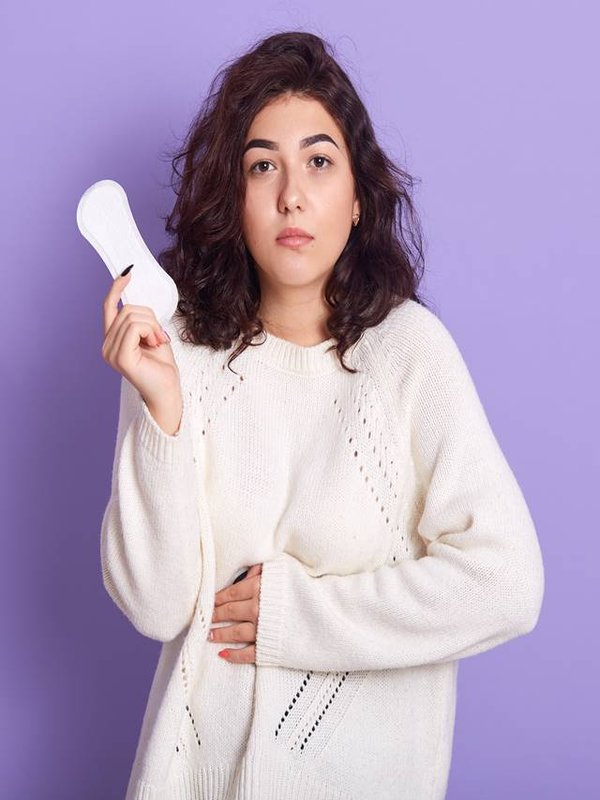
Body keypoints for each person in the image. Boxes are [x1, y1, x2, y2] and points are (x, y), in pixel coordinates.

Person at [99, 30, 545, 800]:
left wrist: (298, 618)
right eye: (262, 165)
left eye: (318, 162)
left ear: (358, 196)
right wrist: (162, 413)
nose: (292, 196)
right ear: (232, 197)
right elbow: (154, 606)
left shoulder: (408, 354)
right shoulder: (176, 350)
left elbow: (506, 583)